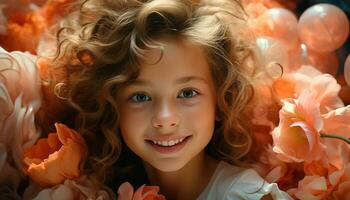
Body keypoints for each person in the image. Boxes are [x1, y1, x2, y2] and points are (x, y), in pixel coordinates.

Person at [36, 0, 293, 199]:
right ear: (113, 106)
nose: (164, 118)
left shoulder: (245, 195)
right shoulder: (103, 188)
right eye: (140, 96)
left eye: (187, 93)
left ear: (220, 100)